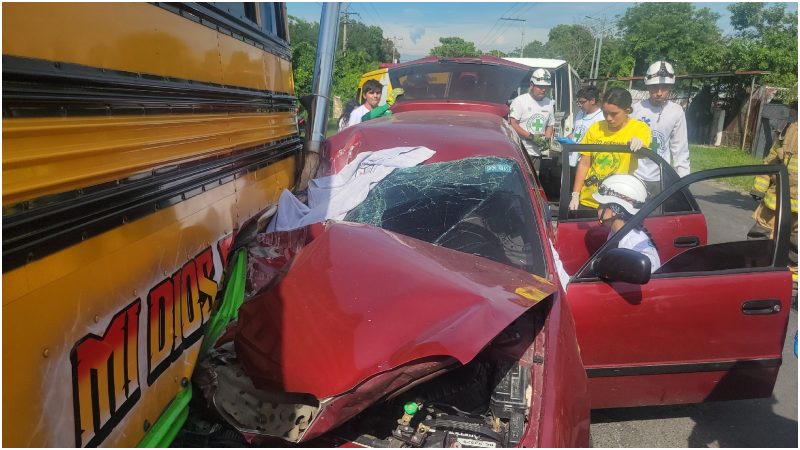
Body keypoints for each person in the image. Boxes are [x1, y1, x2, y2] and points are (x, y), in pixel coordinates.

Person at [569, 87, 651, 211]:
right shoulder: (596, 128)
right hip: (589, 199)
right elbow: (585, 163)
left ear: (627, 111)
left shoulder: (639, 128)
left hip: (617, 202)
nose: (608, 118)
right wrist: (575, 194)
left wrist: (640, 145)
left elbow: (643, 153)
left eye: (614, 114)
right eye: (605, 113)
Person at [748, 100, 797, 294]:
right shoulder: (788, 130)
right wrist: (759, 186)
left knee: (795, 247)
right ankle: (753, 272)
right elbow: (771, 161)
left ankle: (792, 285)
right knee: (759, 235)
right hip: (777, 200)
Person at [632, 60, 690, 197]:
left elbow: (680, 148)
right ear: (647, 86)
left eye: (664, 87)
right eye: (654, 87)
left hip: (660, 178)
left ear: (670, 87)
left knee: (656, 218)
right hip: (634, 174)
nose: (659, 92)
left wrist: (683, 180)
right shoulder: (636, 109)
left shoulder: (676, 112)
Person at [593, 174, 661, 272]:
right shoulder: (617, 232)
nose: (598, 208)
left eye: (601, 205)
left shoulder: (632, 246)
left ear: (614, 210)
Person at [509, 68, 555, 172]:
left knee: (534, 182)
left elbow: (550, 125)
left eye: (546, 87)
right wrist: (531, 137)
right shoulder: (520, 101)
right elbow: (513, 124)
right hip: (520, 151)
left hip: (536, 153)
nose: (543, 90)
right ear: (531, 85)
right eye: (540, 86)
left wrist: (547, 140)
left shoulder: (549, 103)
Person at [569, 85, 605, 168]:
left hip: (585, 162)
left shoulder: (601, 118)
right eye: (578, 102)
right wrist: (566, 139)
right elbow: (574, 133)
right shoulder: (580, 113)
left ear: (592, 100)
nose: (579, 105)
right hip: (571, 158)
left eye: (582, 102)